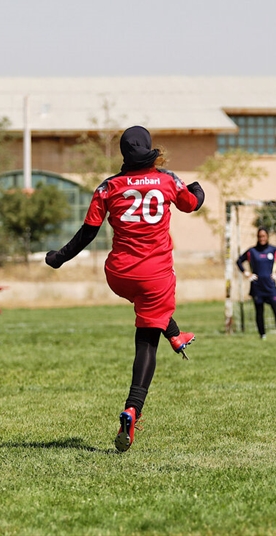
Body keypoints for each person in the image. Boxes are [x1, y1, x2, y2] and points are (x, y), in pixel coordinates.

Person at [45, 126, 205, 453]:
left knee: (149, 306)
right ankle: (133, 408)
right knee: (146, 339)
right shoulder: (167, 180)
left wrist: (59, 258)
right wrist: (199, 190)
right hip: (156, 275)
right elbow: (191, 204)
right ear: (148, 148)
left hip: (118, 273)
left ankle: (175, 334)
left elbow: (87, 233)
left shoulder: (108, 187)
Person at [237, 228, 276, 339]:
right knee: (259, 311)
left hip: (270, 286)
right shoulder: (252, 251)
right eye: (260, 236)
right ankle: (262, 335)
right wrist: (246, 273)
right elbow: (239, 261)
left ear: (267, 237)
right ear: (257, 237)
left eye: (264, 236)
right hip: (257, 286)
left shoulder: (273, 250)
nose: (262, 238)